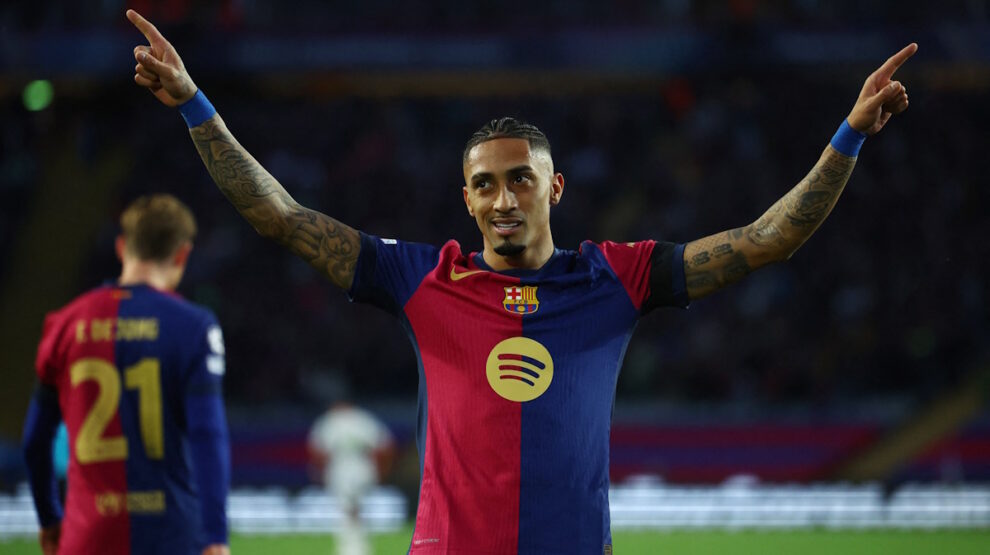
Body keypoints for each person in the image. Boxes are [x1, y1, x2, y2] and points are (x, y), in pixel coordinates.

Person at [126, 9, 915, 553]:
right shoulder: (420, 277)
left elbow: (768, 239)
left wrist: (849, 134)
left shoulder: (618, 277)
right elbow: (281, 216)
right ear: (466, 197)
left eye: (520, 180)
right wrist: (194, 103)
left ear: (554, 187)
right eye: (485, 185)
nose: (503, 199)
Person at [22, 194, 231, 555]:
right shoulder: (194, 327)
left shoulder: (64, 325)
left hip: (86, 539)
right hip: (171, 536)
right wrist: (215, 535)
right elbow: (207, 435)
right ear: (182, 254)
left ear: (122, 247)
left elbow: (35, 442)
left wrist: (49, 518)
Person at [308, 401, 395, 555]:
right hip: (363, 466)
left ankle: (350, 546)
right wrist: (382, 470)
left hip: (340, 467)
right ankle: (360, 545)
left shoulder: (329, 420)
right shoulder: (363, 418)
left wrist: (320, 471)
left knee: (346, 509)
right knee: (358, 508)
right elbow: (385, 445)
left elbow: (317, 450)